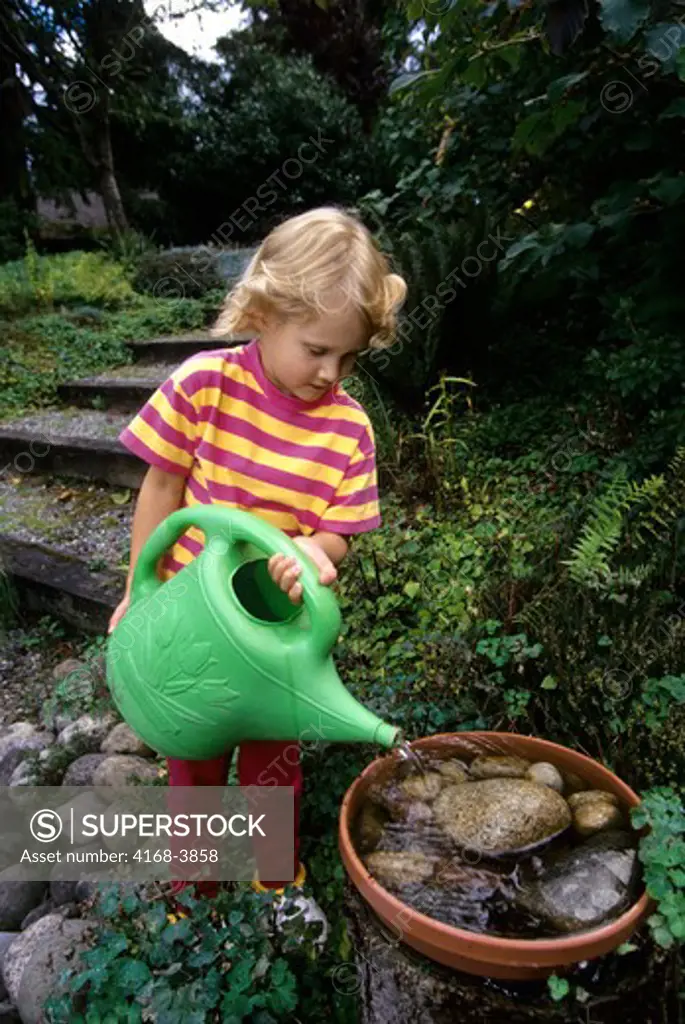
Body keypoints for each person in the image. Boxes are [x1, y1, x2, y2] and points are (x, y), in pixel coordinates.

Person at [107, 205, 407, 935]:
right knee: (193, 766)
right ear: (264, 311)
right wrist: (134, 594)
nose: (330, 373)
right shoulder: (205, 386)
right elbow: (162, 489)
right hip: (192, 627)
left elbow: (339, 532)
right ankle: (195, 891)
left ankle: (277, 879)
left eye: (348, 357)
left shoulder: (347, 429)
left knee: (275, 769)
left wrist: (316, 551)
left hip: (276, 641)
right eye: (315, 350)